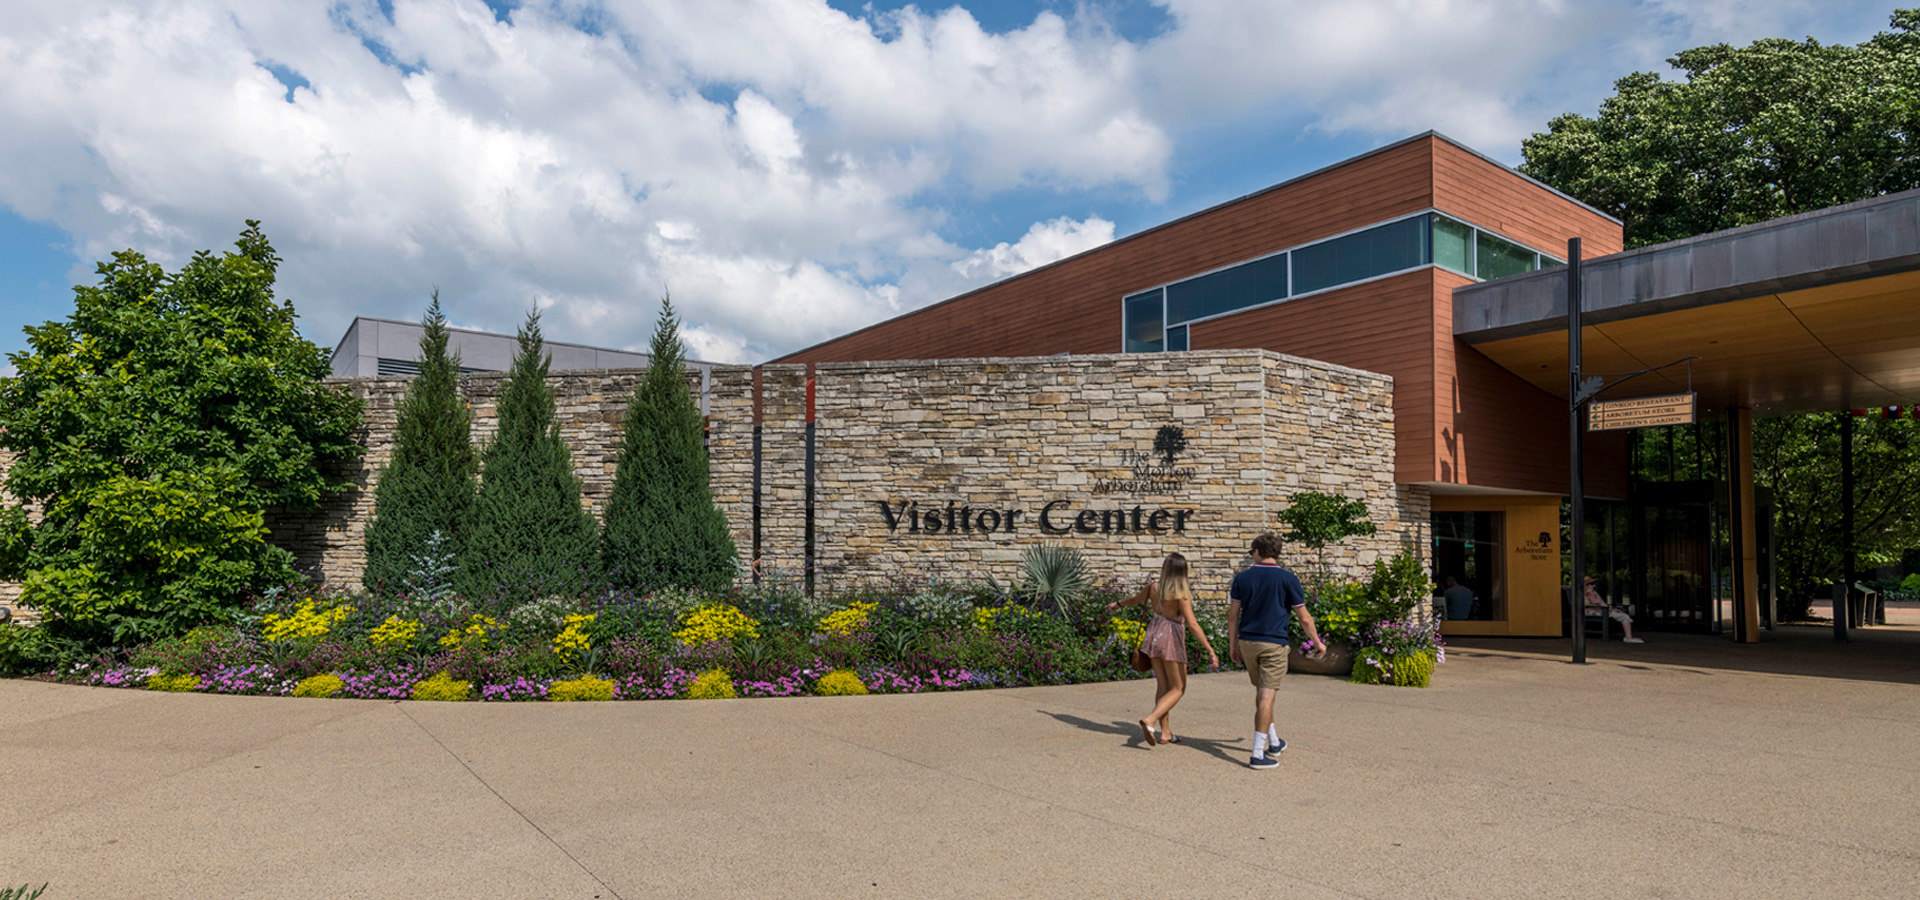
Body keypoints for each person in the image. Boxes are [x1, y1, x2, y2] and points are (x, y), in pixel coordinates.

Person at [1228, 533, 1322, 770]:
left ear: (1257, 551)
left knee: (1262, 694)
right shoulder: (1288, 579)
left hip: (1248, 642)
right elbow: (1304, 617)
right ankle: (1258, 753)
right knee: (1266, 697)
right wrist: (1318, 643)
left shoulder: (1242, 579)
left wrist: (1232, 645)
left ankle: (1274, 741)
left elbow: (1232, 615)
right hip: (1273, 643)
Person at [1107, 552, 1218, 746]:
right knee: (1178, 688)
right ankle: (1150, 720)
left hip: (1153, 637)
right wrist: (1209, 649)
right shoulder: (1180, 594)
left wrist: (1117, 604)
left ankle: (1165, 733)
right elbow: (1192, 624)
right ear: (1183, 572)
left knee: (1163, 687)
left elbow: (1135, 599)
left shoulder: (1153, 588)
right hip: (1170, 640)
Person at [1584, 576, 1644, 643]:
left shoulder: (1591, 592)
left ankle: (1628, 636)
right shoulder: (1588, 592)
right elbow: (1596, 602)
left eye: (1594, 584)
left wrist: (1611, 608)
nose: (1594, 586)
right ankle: (1628, 637)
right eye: (1592, 584)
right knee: (1624, 617)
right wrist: (1609, 608)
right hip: (1594, 611)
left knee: (1621, 614)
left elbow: (1601, 603)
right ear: (1587, 585)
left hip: (1600, 609)